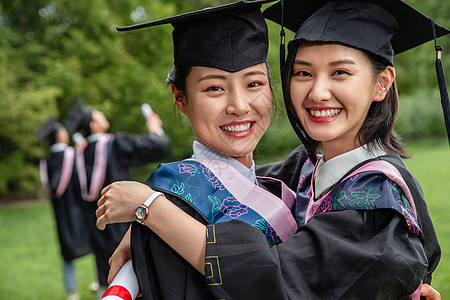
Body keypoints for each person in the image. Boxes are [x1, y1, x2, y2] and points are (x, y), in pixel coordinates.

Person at [97, 0, 447, 298]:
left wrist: (149, 208)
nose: (318, 93)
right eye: (303, 73)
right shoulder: (305, 170)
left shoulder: (378, 199)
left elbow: (278, 279)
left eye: (340, 72)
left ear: (381, 83)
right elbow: (233, 182)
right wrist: (151, 228)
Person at [65, 98, 172, 298]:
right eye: (98, 113)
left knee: (104, 267)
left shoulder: (77, 156)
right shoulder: (114, 144)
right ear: (93, 125)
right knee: (130, 268)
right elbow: (156, 146)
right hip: (122, 224)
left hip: (95, 225)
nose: (103, 114)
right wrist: (155, 129)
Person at [37, 117, 91, 300]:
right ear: (60, 135)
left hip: (60, 213)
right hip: (80, 209)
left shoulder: (45, 162)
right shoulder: (73, 155)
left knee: (66, 249)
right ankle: (100, 283)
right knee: (95, 242)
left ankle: (72, 291)